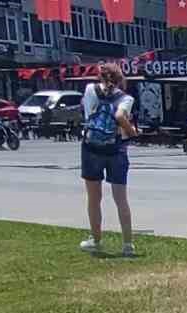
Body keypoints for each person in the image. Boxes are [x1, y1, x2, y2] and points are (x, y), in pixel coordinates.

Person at [79, 63, 139, 257]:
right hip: (116, 149)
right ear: (120, 78)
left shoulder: (90, 90)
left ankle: (96, 240)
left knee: (94, 198)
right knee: (120, 198)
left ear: (101, 77)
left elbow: (89, 115)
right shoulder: (126, 98)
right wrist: (132, 132)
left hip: (91, 148)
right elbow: (120, 116)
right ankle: (127, 244)